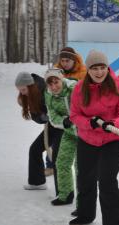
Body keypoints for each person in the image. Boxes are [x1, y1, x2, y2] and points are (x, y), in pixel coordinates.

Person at [69, 50, 119, 225]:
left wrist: (112, 123)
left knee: (106, 181)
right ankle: (85, 215)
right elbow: (74, 115)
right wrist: (90, 123)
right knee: (85, 179)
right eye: (94, 68)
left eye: (102, 67)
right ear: (88, 69)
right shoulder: (79, 89)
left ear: (107, 67)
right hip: (88, 139)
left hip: (114, 141)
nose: (99, 72)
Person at [15, 72, 63, 191]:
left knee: (58, 156)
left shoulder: (46, 89)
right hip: (52, 126)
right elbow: (36, 116)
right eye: (19, 90)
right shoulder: (30, 95)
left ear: (30, 86)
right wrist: (42, 117)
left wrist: (53, 115)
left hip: (62, 126)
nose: (21, 92)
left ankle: (63, 192)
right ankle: (37, 182)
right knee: (35, 149)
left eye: (23, 89)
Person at [44, 69, 78, 206]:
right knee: (61, 163)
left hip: (85, 134)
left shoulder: (74, 88)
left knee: (80, 168)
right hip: (69, 133)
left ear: (62, 80)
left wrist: (76, 119)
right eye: (50, 84)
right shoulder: (48, 95)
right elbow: (52, 116)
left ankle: (83, 205)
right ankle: (66, 195)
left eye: (56, 82)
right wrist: (64, 121)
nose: (54, 87)